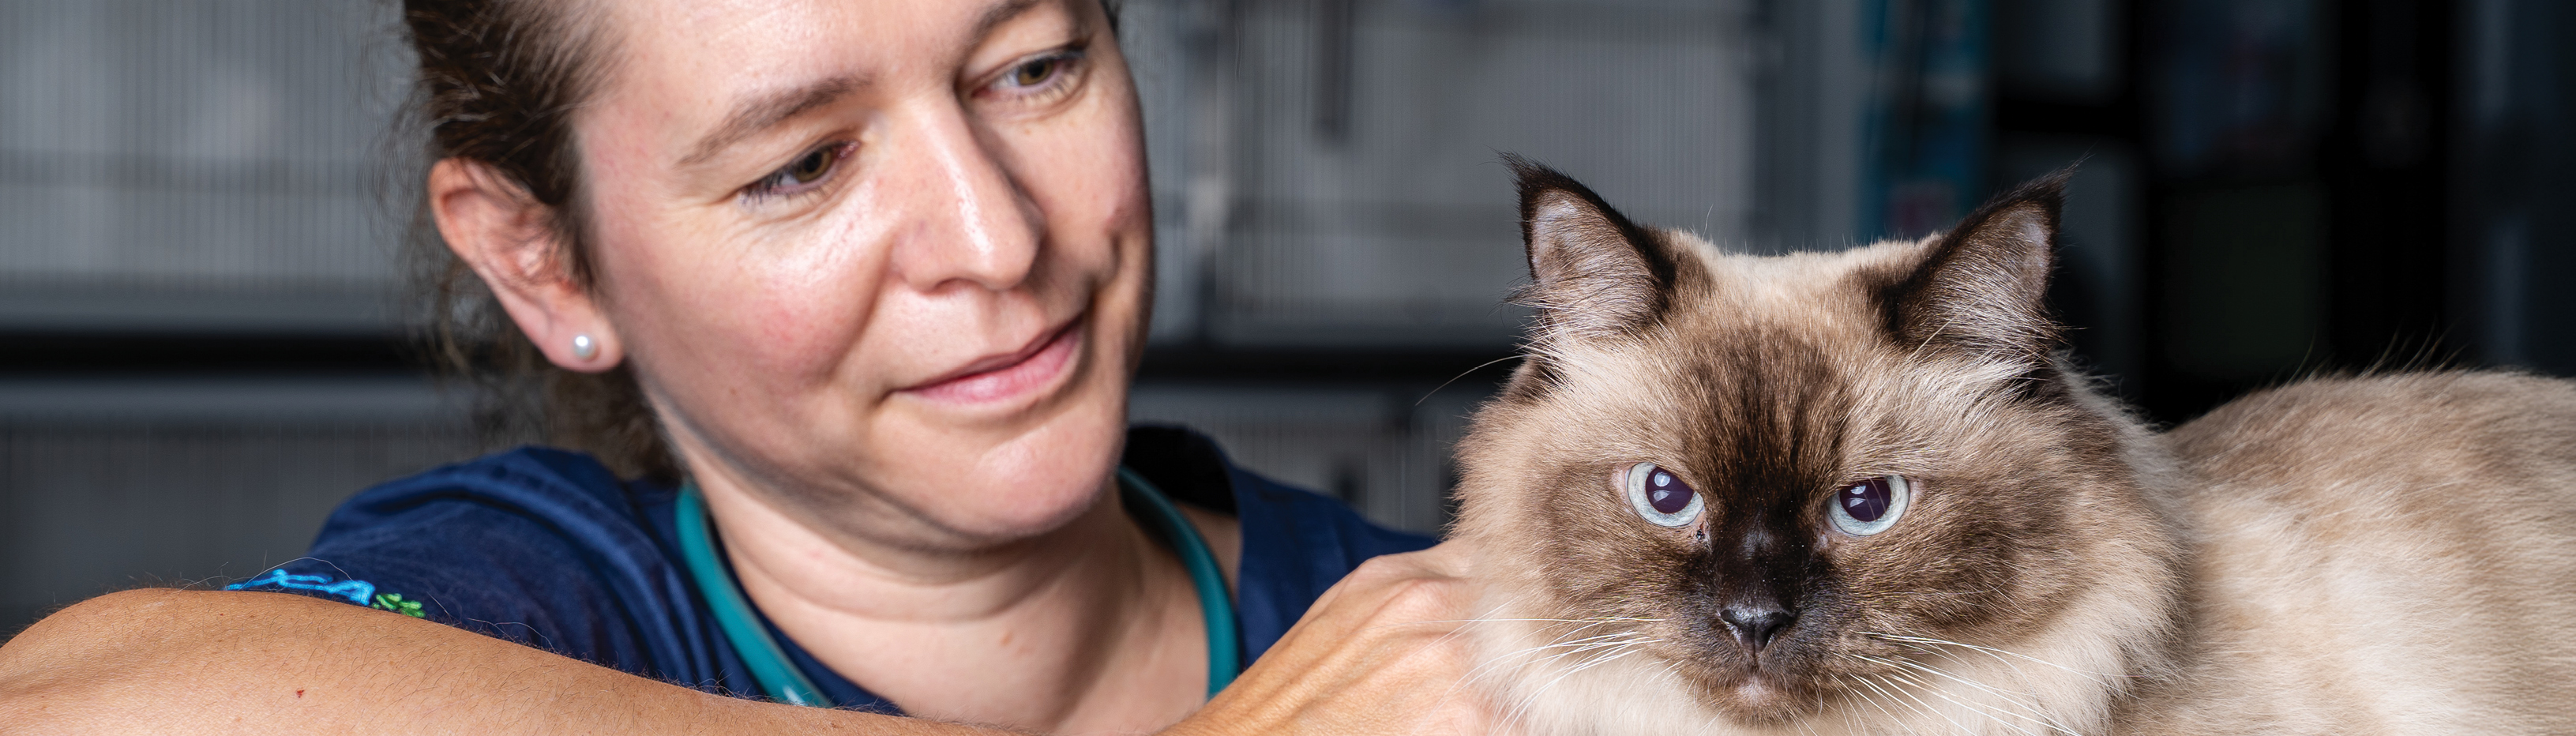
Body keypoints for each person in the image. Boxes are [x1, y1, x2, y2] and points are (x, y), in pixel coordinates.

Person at [0, 0, 1489, 732]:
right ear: (543, 262)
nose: (996, 238)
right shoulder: (541, 607)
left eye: (1035, 67)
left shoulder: (1446, 636)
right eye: (802, 165)